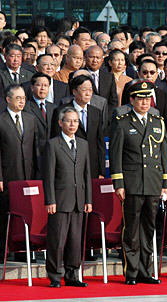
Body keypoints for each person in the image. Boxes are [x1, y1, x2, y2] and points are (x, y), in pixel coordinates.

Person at [109, 80, 167, 285]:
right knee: (132, 230)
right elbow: (116, 155)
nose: (145, 102)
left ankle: (146, 271)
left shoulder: (157, 121)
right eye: (140, 98)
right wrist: (119, 184)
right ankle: (132, 272)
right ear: (132, 100)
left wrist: (165, 184)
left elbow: (164, 155)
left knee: (148, 228)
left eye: (147, 98)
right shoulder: (122, 122)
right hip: (132, 183)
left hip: (153, 183)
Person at [44, 106, 92, 288]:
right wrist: (50, 200)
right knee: (57, 240)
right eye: (69, 121)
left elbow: (87, 174)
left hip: (79, 200)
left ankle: (73, 275)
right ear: (60, 123)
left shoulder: (83, 144)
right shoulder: (53, 144)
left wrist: (88, 199)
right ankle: (55, 276)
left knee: (75, 240)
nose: (72, 124)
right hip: (60, 200)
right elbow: (48, 175)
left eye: (75, 121)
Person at [0, 84, 38, 259]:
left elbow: (36, 149)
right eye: (18, 98)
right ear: (8, 100)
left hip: (28, 176)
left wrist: (38, 177)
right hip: (8, 177)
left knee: (27, 213)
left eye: (23, 98)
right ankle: (3, 252)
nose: (22, 101)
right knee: (5, 214)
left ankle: (24, 252)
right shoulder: (1, 120)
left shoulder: (30, 119)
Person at [52, 75, 105, 179]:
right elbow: (56, 140)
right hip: (69, 165)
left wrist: (101, 170)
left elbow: (100, 142)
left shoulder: (96, 112)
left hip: (92, 166)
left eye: (90, 89)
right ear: (74, 91)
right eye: (84, 89)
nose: (88, 93)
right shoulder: (61, 111)